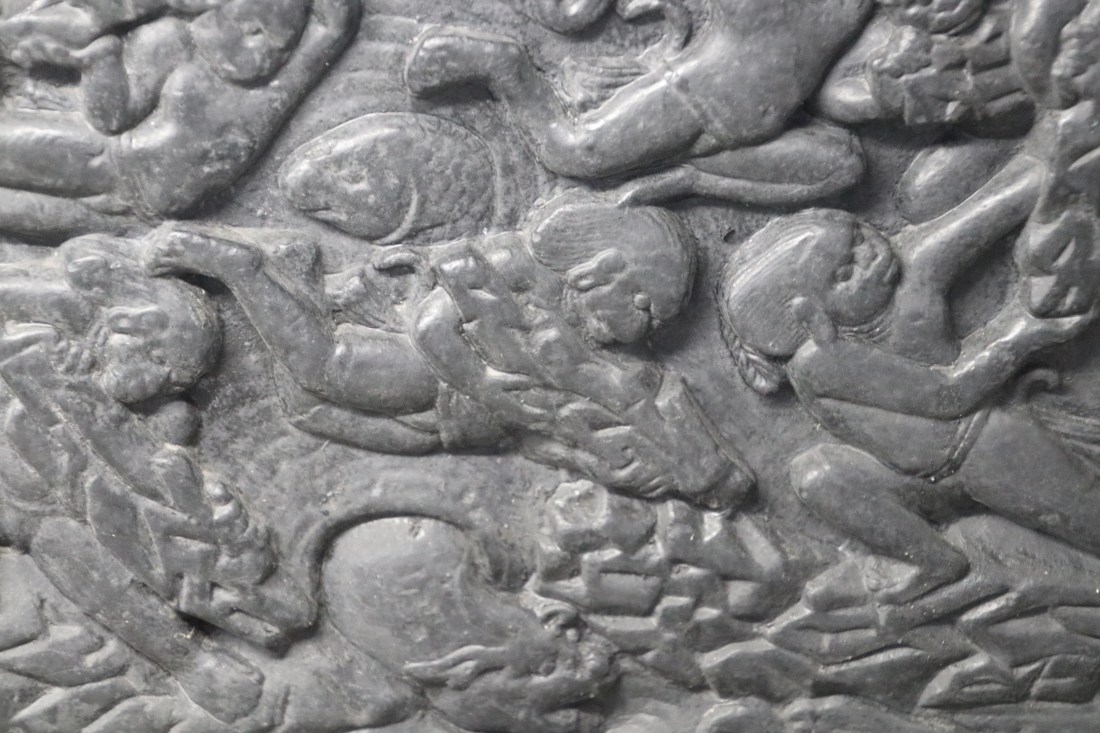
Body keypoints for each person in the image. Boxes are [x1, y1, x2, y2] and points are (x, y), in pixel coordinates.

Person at [145, 198, 754, 513]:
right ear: (608, 269)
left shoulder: (576, 336)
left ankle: (290, 285)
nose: (642, 330)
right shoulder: (519, 268)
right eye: (646, 309)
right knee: (326, 367)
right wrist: (482, 382)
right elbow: (434, 324)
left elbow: (552, 427)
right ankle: (240, 267)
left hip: (459, 414)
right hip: (430, 370)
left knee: (318, 411)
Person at [717, 151, 1100, 604]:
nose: (871, 255)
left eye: (859, 236)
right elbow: (947, 395)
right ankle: (935, 561)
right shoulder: (821, 362)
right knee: (816, 474)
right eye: (845, 272)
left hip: (981, 442)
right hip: (918, 478)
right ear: (812, 316)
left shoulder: (909, 268)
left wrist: (1061, 168)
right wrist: (1024, 330)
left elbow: (993, 207)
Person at [402, 0, 870, 205]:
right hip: (707, 93)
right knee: (572, 149)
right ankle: (499, 63)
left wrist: (692, 182)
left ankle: (686, 174)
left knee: (845, 167)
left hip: (742, 114)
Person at [0, 0, 359, 239]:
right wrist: (100, 60)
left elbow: (336, 23)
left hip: (146, 207)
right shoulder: (171, 41)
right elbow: (112, 118)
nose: (263, 52)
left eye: (280, 42)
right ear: (208, 14)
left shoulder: (281, 83)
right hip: (112, 162)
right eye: (249, 29)